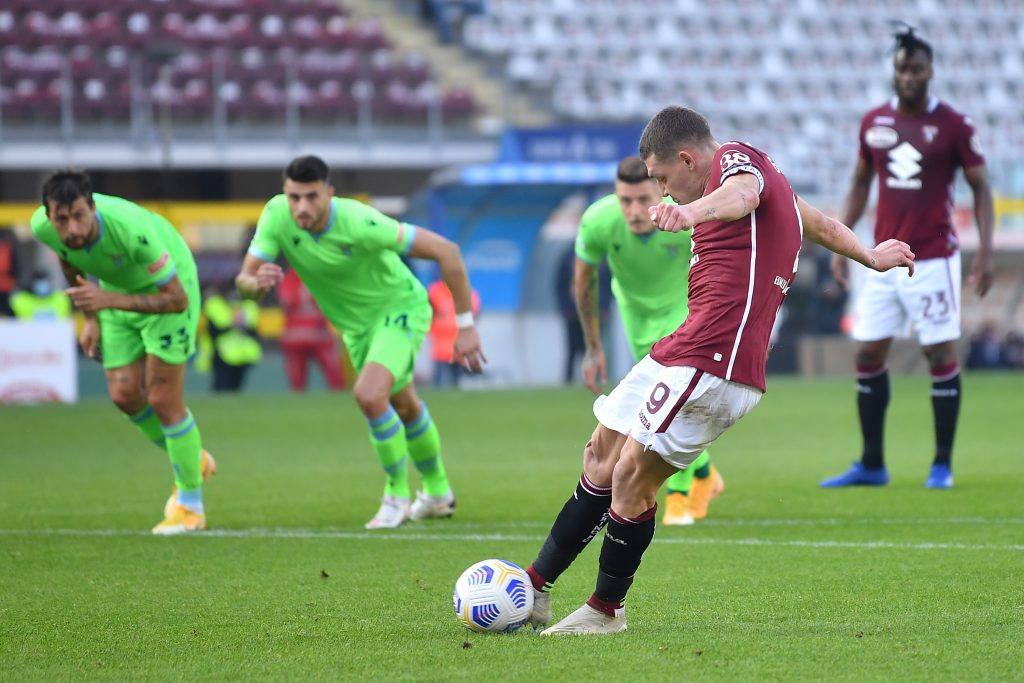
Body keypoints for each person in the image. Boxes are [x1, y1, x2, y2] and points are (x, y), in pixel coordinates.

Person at [523, 105, 915, 635]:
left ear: (688, 159)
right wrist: (869, 255)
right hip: (683, 347)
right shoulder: (765, 182)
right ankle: (534, 587)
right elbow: (818, 223)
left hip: (717, 360)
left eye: (663, 180)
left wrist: (691, 214)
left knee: (630, 476)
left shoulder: (738, 162)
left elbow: (742, 196)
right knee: (601, 453)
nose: (663, 195)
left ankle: (604, 610)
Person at [235, 155, 485, 528]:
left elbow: (446, 251)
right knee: (404, 404)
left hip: (400, 309)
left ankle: (395, 496)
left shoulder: (361, 222)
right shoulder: (275, 216)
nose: (301, 207)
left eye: (311, 197)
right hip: (355, 328)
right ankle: (437, 492)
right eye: (294, 197)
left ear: (329, 194)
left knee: (369, 394)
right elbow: (244, 281)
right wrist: (254, 286)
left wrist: (465, 327)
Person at [821, 26, 994, 491]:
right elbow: (860, 183)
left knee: (940, 352)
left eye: (916, 69)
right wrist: (845, 241)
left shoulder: (955, 125)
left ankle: (941, 465)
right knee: (867, 351)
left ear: (930, 71)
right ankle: (872, 463)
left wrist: (986, 253)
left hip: (934, 258)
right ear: (893, 72)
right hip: (880, 258)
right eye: (902, 68)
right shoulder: (874, 122)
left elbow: (981, 188)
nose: (909, 76)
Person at [29, 169, 216, 535]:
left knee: (162, 399)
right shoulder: (44, 228)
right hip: (113, 296)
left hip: (171, 292)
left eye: (80, 216)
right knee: (124, 395)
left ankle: (191, 507)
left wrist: (106, 301)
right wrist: (92, 318)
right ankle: (194, 461)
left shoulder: (134, 232)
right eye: (61, 219)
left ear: (93, 208)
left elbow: (176, 300)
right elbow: (70, 262)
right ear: (49, 216)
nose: (72, 229)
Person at [573, 155, 723, 526]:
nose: (635, 210)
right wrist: (593, 347)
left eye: (644, 200)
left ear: (661, 189)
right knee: (660, 405)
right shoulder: (598, 221)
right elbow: (583, 283)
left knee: (673, 405)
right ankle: (705, 476)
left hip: (684, 313)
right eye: (626, 201)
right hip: (636, 318)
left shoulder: (684, 214)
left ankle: (680, 495)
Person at [278, 267, 347, 391]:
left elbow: (286, 300)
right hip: (313, 334)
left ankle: (300, 403)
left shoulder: (290, 278)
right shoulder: (315, 276)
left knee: (300, 381)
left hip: (303, 335)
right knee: (333, 376)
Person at [198, 284, 262, 392]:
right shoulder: (216, 307)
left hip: (236, 353)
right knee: (224, 386)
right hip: (226, 353)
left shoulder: (247, 307)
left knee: (229, 387)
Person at [428, 277, 481, 388]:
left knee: (456, 383)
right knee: (439, 383)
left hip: (459, 346)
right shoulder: (435, 291)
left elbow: (475, 313)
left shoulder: (467, 292)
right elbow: (428, 313)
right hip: (441, 347)